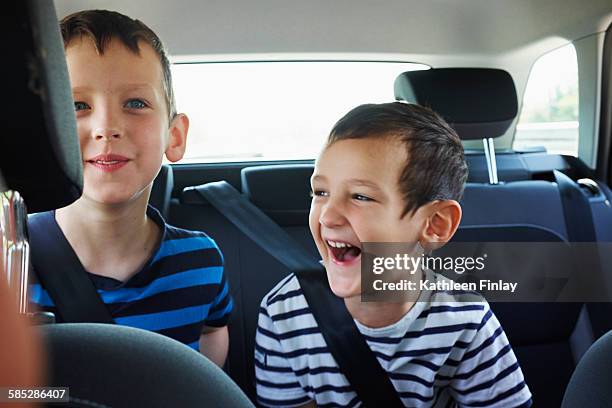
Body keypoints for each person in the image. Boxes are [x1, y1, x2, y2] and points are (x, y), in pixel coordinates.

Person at [254, 102, 532, 406]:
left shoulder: (466, 319)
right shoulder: (282, 313)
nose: (327, 217)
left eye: (361, 196)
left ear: (435, 224)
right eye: (321, 193)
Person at [28, 10, 232, 367]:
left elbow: (211, 335)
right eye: (77, 105)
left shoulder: (202, 261)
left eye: (135, 103)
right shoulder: (13, 265)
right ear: (46, 132)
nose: (107, 127)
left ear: (176, 136)